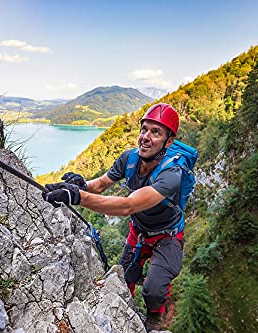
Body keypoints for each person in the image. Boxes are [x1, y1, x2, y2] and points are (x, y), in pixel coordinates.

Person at [42, 103, 183, 331]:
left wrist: (77, 196)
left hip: (168, 235)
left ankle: (155, 317)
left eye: (155, 132)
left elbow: (128, 206)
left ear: (168, 142)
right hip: (139, 231)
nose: (145, 137)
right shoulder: (129, 159)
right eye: (144, 129)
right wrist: (81, 184)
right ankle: (125, 310)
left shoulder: (171, 174)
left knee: (153, 289)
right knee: (124, 278)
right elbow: (99, 185)